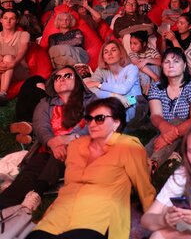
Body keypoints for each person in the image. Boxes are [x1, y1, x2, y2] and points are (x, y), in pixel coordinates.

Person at [26, 98, 155, 239]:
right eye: (89, 118)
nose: (92, 124)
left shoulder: (128, 147)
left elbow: (144, 188)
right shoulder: (76, 146)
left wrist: (155, 223)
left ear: (116, 123)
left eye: (100, 118)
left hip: (97, 220)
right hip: (57, 217)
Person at [0, 66, 96, 213]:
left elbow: (96, 124)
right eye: (58, 77)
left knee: (64, 151)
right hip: (49, 148)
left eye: (67, 76)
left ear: (77, 80)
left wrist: (70, 138)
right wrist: (52, 142)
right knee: (31, 171)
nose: (62, 79)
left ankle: (37, 192)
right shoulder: (45, 103)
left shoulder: (91, 101)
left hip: (81, 149)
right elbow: (40, 126)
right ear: (53, 83)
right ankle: (4, 203)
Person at [146, 48, 191, 172]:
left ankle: (148, 163)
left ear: (184, 66)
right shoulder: (156, 87)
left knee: (177, 121)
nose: (171, 65)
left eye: (176, 61)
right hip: (163, 132)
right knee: (172, 125)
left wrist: (171, 133)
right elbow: (155, 115)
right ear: (162, 66)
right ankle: (144, 162)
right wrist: (168, 132)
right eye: (166, 62)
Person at [85, 40, 143, 123]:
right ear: (104, 58)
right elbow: (90, 87)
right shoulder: (103, 71)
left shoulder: (132, 68)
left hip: (135, 101)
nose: (109, 54)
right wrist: (113, 95)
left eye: (114, 50)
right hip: (115, 104)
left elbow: (124, 90)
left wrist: (99, 84)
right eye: (106, 52)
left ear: (121, 54)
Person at [0, 7, 30, 104]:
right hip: (2, 67)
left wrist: (13, 63)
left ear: (16, 21)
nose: (8, 21)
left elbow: (22, 51)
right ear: (1, 20)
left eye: (12, 18)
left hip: (19, 69)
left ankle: (3, 93)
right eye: (5, 18)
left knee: (8, 57)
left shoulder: (24, 34)